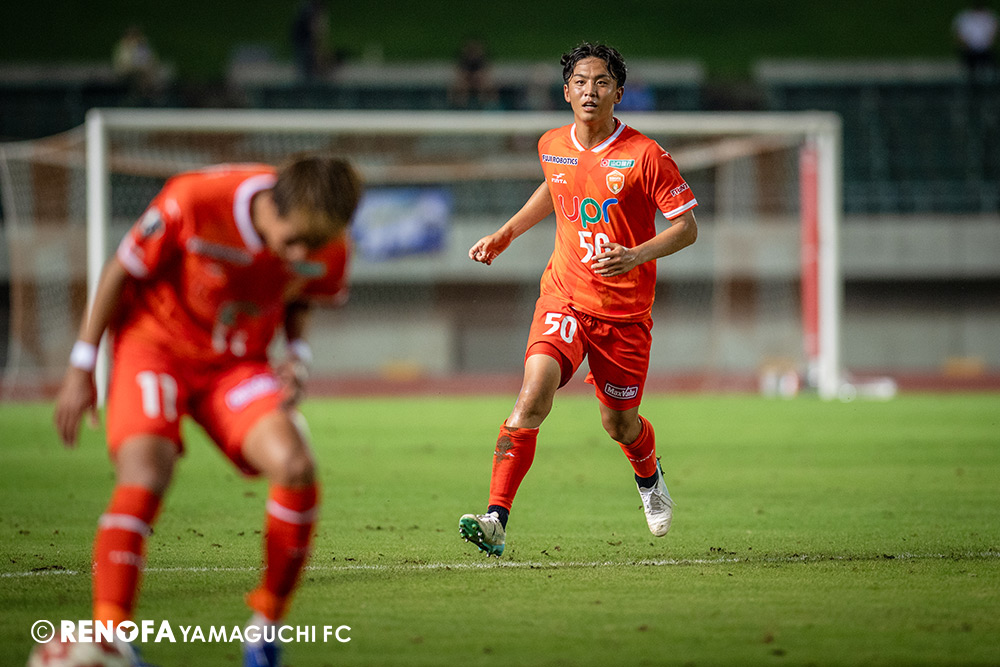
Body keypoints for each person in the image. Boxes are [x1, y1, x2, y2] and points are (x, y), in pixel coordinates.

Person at [53, 155, 362, 667]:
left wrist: (297, 356)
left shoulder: (328, 239)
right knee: (146, 471)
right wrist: (81, 366)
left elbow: (302, 295)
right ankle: (110, 637)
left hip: (235, 364)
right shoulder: (194, 200)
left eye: (315, 245)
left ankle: (265, 629)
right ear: (272, 205)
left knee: (295, 465)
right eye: (295, 240)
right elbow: (121, 270)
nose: (303, 254)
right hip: (156, 347)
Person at [459, 43, 698, 557]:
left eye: (602, 82)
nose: (591, 91)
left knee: (619, 424)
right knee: (532, 396)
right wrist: (505, 234)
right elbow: (554, 186)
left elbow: (687, 227)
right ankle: (496, 518)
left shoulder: (645, 155)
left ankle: (649, 478)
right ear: (566, 91)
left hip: (623, 315)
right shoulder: (551, 144)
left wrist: (635, 255)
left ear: (618, 93)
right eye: (581, 82)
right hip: (563, 297)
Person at [953, 2, 999, 82]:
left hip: (985, 48)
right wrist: (965, 45)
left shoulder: (989, 16)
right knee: (971, 68)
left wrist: (988, 43)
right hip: (970, 48)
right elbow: (959, 33)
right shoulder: (965, 17)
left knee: (991, 65)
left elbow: (995, 31)